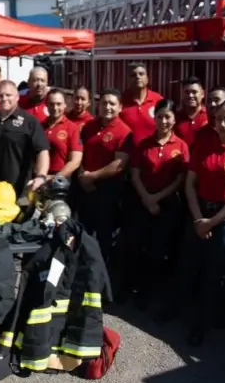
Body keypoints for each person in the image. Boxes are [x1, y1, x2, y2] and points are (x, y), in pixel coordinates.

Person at [162, 100, 225, 346]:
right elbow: (190, 184)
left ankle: (201, 324)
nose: (223, 124)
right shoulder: (204, 146)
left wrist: (212, 222)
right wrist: (198, 219)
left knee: (213, 273)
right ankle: (174, 308)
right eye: (219, 119)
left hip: (224, 219)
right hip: (198, 212)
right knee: (187, 265)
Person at [122, 98, 189, 309]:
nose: (163, 121)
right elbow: (135, 175)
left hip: (166, 204)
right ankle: (126, 288)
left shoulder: (181, 146)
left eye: (168, 117)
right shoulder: (143, 144)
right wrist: (147, 198)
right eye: (160, 117)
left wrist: (157, 198)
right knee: (133, 247)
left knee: (156, 250)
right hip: (141, 200)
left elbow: (180, 179)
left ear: (174, 119)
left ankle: (146, 292)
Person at [77, 89, 133, 256]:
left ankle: (104, 268)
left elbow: (119, 164)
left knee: (105, 236)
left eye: (112, 104)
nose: (107, 107)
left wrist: (92, 177)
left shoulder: (124, 132)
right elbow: (78, 153)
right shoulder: (89, 127)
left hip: (108, 191)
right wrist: (82, 176)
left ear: (120, 107)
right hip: (85, 188)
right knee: (83, 233)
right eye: (104, 103)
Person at [0, 80, 50, 196]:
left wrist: (41, 176)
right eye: (0, 95)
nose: (4, 98)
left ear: (17, 97)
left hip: (19, 190)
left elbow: (42, 150)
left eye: (8, 95)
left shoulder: (29, 121)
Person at [119, 62, 164, 145]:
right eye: (133, 75)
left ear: (147, 78)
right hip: (127, 152)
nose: (137, 77)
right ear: (128, 79)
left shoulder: (158, 100)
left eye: (141, 74)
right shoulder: (120, 101)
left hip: (152, 150)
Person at [43, 89, 82, 178]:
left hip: (61, 179)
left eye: (59, 104)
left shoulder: (72, 128)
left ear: (65, 105)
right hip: (39, 177)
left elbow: (75, 161)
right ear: (46, 105)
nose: (55, 108)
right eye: (51, 104)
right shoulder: (39, 126)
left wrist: (55, 177)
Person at [174, 77, 207, 145]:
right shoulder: (175, 118)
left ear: (202, 94)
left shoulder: (209, 116)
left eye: (194, 92)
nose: (190, 95)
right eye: (187, 92)